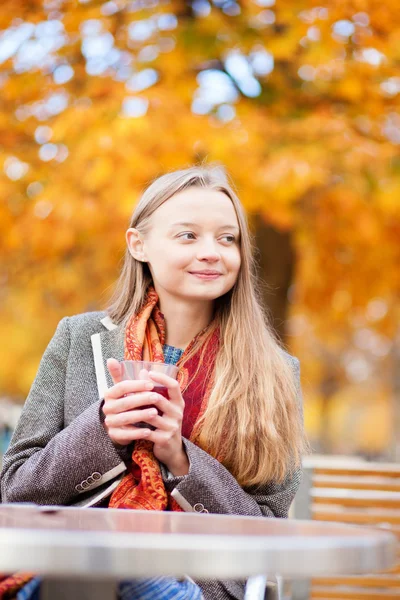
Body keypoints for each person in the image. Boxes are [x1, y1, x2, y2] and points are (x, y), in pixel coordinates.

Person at [0, 164, 308, 599]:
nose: (211, 252)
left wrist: (181, 458)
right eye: (188, 235)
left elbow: (269, 532)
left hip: (198, 583)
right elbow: (13, 490)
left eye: (228, 238)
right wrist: (101, 432)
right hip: (69, 572)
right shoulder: (78, 338)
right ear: (138, 244)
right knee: (97, 566)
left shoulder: (276, 371)